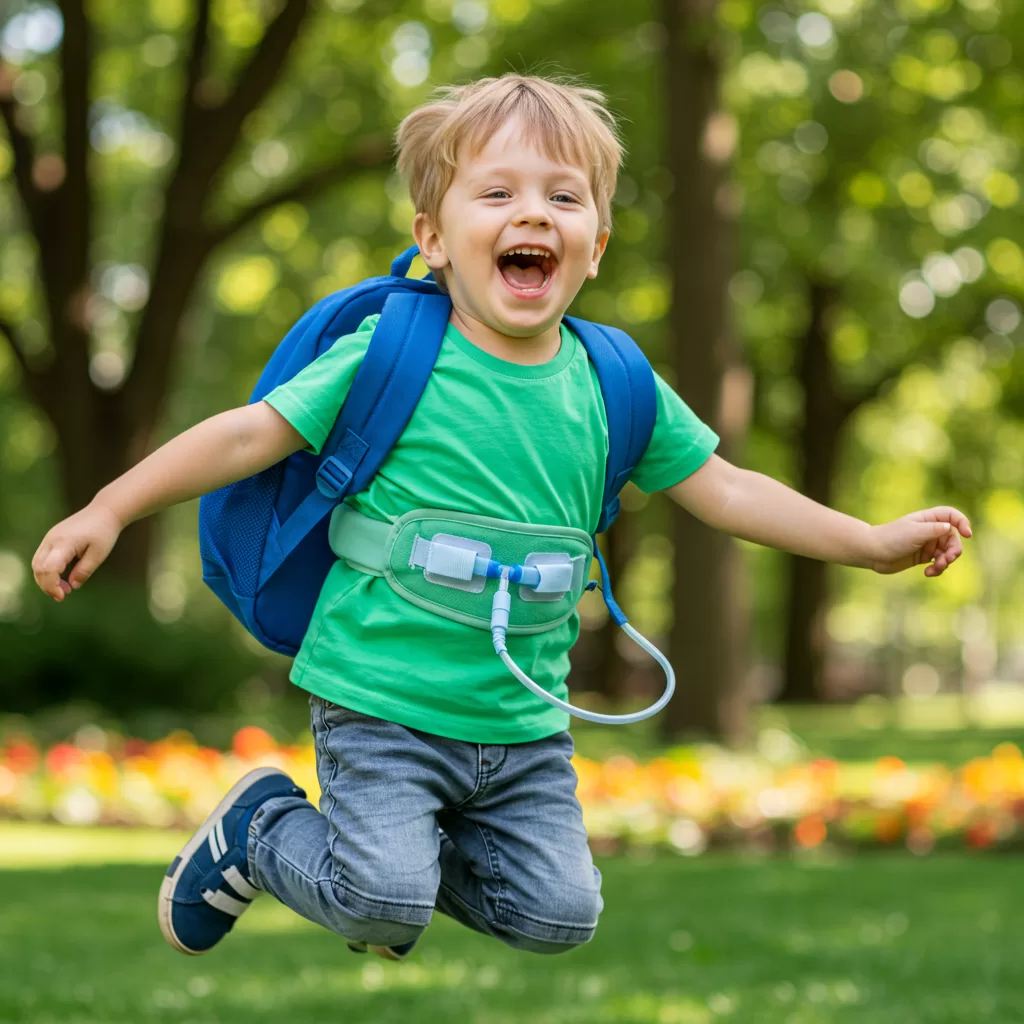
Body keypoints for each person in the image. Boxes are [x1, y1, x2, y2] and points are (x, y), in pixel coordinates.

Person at [30, 74, 971, 960]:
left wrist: (870, 545)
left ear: (595, 246)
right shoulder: (393, 352)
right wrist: (111, 508)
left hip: (523, 722)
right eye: (498, 195)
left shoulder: (614, 382)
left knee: (559, 915)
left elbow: (727, 489)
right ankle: (265, 828)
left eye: (564, 199)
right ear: (434, 238)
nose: (533, 214)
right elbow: (247, 436)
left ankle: (381, 869)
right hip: (380, 700)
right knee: (382, 904)